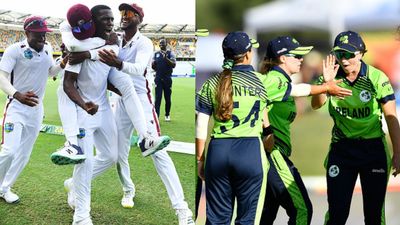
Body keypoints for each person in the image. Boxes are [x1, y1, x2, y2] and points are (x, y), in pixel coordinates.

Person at [97, 3, 194, 223]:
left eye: (130, 13)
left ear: (139, 19)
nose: (124, 16)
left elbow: (139, 69)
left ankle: (182, 210)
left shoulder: (144, 43)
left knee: (158, 152)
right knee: (119, 153)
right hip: (120, 100)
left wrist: (118, 62)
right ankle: (128, 189)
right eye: (122, 13)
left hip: (142, 101)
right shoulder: (115, 39)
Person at [50, 4, 170, 166]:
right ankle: (71, 144)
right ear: (91, 21)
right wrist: (95, 46)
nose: (111, 22)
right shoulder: (70, 29)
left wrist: (88, 53)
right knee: (63, 93)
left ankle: (146, 138)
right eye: (106, 19)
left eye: (112, 19)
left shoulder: (112, 39)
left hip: (108, 70)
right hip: (81, 91)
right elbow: (72, 46)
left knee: (128, 85)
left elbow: (110, 51)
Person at [258, 36, 352, 225]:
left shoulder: (280, 80)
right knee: (302, 210)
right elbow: (297, 90)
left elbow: (309, 101)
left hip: (273, 153)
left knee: (265, 216)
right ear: (282, 58)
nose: (302, 59)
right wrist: (326, 87)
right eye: (297, 55)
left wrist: (325, 86)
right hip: (272, 154)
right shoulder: (273, 79)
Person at [311, 30, 400, 225]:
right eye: (340, 54)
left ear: (361, 53)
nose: (344, 60)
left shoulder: (376, 78)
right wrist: (326, 85)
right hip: (342, 150)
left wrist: (398, 152)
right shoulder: (330, 76)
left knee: (374, 215)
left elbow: (391, 117)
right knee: (337, 213)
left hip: (373, 150)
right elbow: (316, 105)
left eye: (349, 54)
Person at [196, 31, 273, 224]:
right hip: (249, 152)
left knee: (216, 220)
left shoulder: (212, 83)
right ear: (248, 54)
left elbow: (201, 126)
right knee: (247, 220)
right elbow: (296, 89)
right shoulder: (261, 81)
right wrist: (325, 88)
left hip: (218, 153)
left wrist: (200, 160)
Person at [0, 16, 62, 203]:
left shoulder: (48, 49)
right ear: (27, 33)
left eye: (44, 34)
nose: (43, 38)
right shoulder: (14, 50)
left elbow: (51, 72)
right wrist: (16, 94)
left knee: (24, 153)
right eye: (38, 35)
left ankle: (5, 188)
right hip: (16, 108)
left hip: (36, 110)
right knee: (9, 150)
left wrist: (62, 63)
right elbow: (1, 76)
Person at [152, 38, 176, 121]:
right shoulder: (156, 54)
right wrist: (153, 64)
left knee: (167, 98)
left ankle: (167, 114)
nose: (161, 45)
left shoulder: (170, 53)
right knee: (157, 98)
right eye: (160, 43)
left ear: (166, 44)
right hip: (158, 78)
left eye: (163, 43)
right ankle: (156, 117)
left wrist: (166, 58)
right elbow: (154, 67)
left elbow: (173, 65)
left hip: (167, 78)